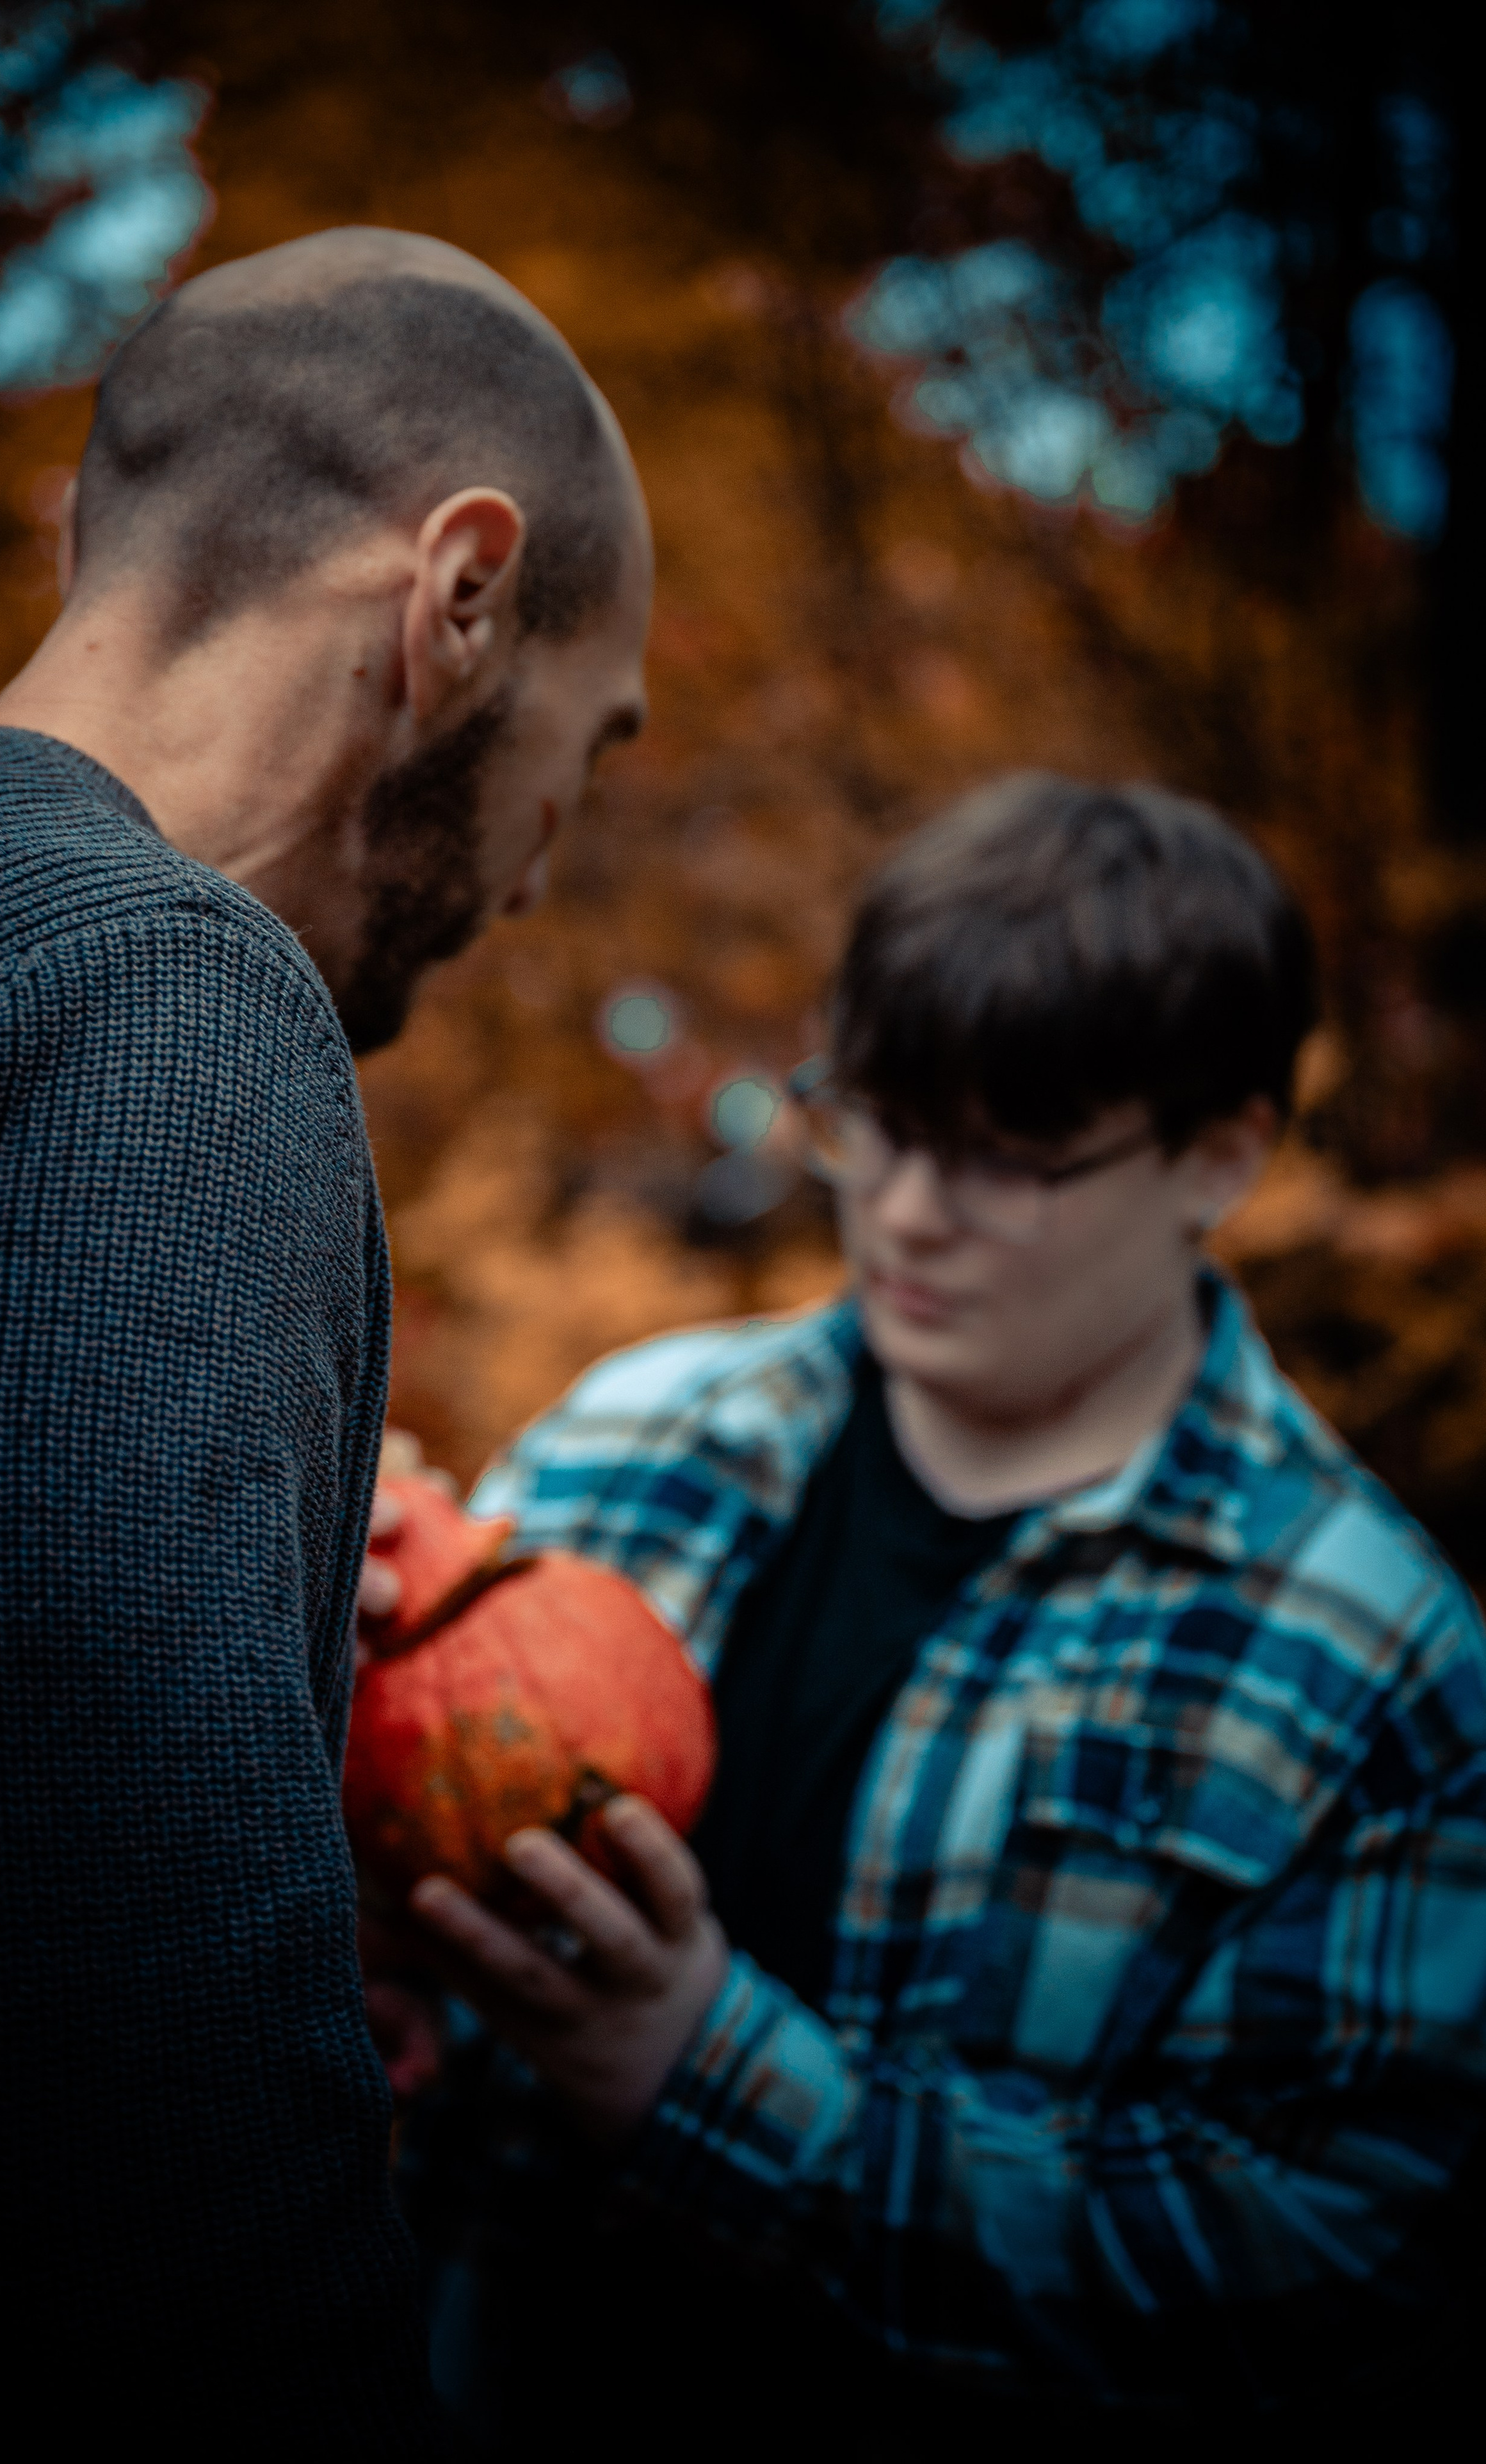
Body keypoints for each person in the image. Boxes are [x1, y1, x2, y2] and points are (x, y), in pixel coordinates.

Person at [392, 776, 1486, 2454]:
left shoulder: (1371, 1659)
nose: (903, 1209)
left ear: (1222, 1156)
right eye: (875, 1120)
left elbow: (1333, 2273)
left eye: (1011, 1159)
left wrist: (706, 2077)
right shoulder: (637, 1443)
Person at [0, 226, 650, 2444]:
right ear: (460, 598)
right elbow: (137, 2146)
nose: (548, 866)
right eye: (593, 741)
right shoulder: (163, 999)